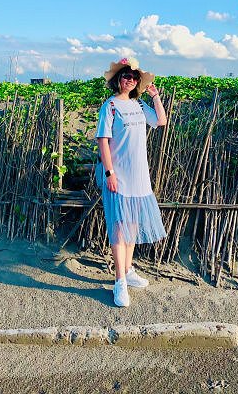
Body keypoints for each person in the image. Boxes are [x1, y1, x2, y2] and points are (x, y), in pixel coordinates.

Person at [95, 57, 167, 307]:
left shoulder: (138, 104)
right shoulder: (110, 106)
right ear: (119, 78)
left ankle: (128, 270)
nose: (131, 80)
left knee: (132, 225)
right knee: (118, 227)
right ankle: (119, 282)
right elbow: (103, 141)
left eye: (135, 77)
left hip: (139, 175)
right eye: (127, 75)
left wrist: (155, 96)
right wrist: (109, 173)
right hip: (119, 175)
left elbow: (160, 121)